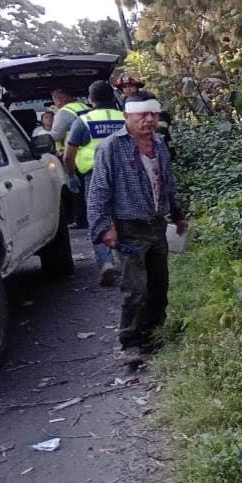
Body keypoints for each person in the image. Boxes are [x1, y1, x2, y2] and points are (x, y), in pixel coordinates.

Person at [88, 91, 187, 363]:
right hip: (128, 228)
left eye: (154, 114)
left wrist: (177, 215)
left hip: (155, 225)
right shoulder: (111, 147)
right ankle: (130, 341)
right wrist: (105, 228)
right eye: (142, 115)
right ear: (127, 117)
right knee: (135, 289)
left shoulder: (159, 145)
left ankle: (153, 334)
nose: (149, 120)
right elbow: (98, 192)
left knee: (159, 285)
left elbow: (167, 184)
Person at [65, 81, 126, 286]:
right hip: (124, 175)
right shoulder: (124, 118)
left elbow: (69, 153)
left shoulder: (83, 120)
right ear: (112, 98)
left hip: (95, 176)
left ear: (90, 99)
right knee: (123, 216)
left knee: (98, 218)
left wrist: (71, 175)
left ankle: (106, 263)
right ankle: (127, 261)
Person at [50, 86, 91, 226]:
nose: (55, 102)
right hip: (88, 153)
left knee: (76, 190)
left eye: (55, 99)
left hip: (72, 155)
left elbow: (56, 135)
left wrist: (40, 137)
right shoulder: (85, 107)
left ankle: (80, 219)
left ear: (61, 99)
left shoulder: (64, 112)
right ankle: (88, 217)